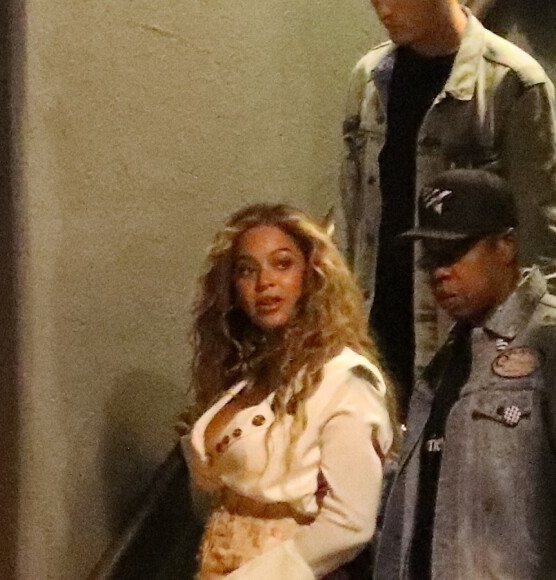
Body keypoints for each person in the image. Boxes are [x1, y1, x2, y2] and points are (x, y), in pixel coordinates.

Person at [335, 0, 556, 411]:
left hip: (469, 345)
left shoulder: (513, 84)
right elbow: (350, 216)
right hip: (375, 339)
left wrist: (525, 366)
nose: (383, 9)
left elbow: (540, 249)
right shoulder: (369, 80)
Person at [180, 203, 399, 579]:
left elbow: (350, 523)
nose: (264, 282)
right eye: (247, 270)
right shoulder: (249, 378)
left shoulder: (342, 380)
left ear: (311, 276)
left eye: (282, 264)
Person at [375, 169, 556, 579]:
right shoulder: (445, 365)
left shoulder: (547, 341)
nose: (440, 272)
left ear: (506, 245)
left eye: (455, 252)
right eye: (431, 259)